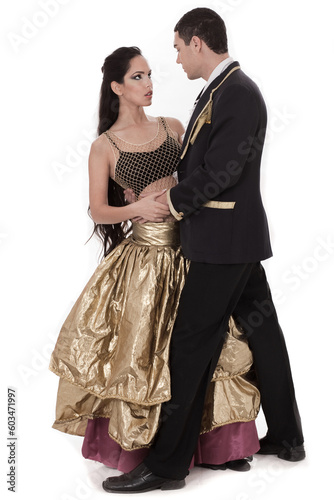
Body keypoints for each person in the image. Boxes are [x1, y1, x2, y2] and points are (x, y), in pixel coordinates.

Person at [102, 8, 305, 494]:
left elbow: (221, 172)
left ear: (198, 43)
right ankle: (289, 437)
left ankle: (167, 467)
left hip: (223, 244)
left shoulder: (237, 92)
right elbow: (201, 163)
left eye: (176, 47)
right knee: (265, 332)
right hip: (233, 238)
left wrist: (166, 204)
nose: (174, 58)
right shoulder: (221, 90)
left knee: (190, 344)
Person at [49, 46, 262, 478]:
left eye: (149, 75)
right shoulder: (103, 147)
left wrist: (165, 198)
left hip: (189, 251)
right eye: (137, 78)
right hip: (142, 261)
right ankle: (143, 450)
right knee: (142, 351)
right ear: (116, 88)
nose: (149, 84)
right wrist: (135, 209)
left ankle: (219, 443)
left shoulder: (174, 127)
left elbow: (200, 180)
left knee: (211, 344)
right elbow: (97, 210)